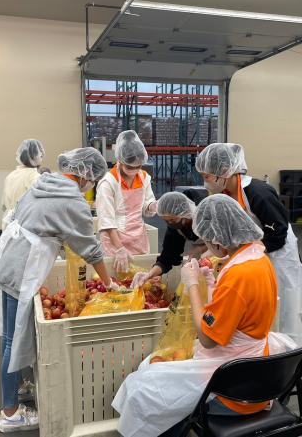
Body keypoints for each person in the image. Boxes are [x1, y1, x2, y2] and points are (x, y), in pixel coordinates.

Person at [112, 194, 296, 437]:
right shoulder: (259, 259)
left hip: (233, 392)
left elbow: (208, 338)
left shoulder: (237, 276)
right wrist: (212, 285)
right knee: (153, 373)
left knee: (144, 391)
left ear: (219, 242)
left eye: (207, 242)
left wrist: (192, 286)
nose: (206, 248)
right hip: (258, 376)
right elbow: (236, 313)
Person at [0, 147, 119, 433]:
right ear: (87, 176)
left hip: (9, 257)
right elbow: (90, 248)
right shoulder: (72, 200)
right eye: (93, 180)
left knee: (12, 337)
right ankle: (10, 413)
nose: (92, 185)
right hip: (22, 267)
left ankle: (16, 387)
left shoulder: (44, 183)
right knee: (13, 341)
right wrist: (108, 283)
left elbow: (41, 221)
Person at [195, 143, 302, 343]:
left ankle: (291, 351)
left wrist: (253, 251)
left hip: (279, 254)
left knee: (286, 304)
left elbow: (279, 231)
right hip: (256, 251)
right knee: (262, 305)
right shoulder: (226, 193)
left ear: (223, 172)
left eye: (206, 176)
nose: (204, 182)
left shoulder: (258, 192)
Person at [96, 130, 157, 273]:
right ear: (120, 160)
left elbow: (146, 207)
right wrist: (119, 248)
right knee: (116, 282)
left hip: (138, 240)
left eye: (139, 166)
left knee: (140, 283)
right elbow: (106, 220)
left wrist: (154, 206)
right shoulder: (108, 182)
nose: (135, 170)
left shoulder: (143, 177)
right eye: (130, 167)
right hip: (114, 242)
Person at [131, 191, 207, 288]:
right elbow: (168, 256)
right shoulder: (175, 227)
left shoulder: (204, 217)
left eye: (173, 220)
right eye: (166, 221)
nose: (170, 223)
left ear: (184, 213)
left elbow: (223, 243)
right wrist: (149, 275)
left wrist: (202, 249)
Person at [2, 139, 45, 230]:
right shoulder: (35, 176)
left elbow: (3, 205)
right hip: (25, 230)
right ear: (37, 156)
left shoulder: (11, 175)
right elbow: (41, 207)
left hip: (8, 228)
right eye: (41, 154)